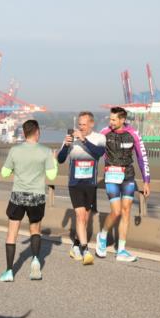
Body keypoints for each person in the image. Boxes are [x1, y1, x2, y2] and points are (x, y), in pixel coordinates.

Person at [0, 119, 57, 282]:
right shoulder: (45, 151)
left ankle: (9, 271)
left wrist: (16, 170)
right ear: (37, 132)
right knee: (35, 229)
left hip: (18, 195)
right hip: (37, 196)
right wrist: (53, 161)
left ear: (24, 133)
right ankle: (36, 262)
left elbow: (4, 173)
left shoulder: (14, 150)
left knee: (12, 233)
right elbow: (52, 176)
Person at [97, 107, 150, 262]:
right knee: (116, 211)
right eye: (110, 119)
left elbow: (142, 157)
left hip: (128, 177)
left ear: (122, 120)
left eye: (113, 119)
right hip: (111, 176)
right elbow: (94, 151)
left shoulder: (133, 133)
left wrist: (147, 181)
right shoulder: (104, 132)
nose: (110, 122)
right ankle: (103, 235)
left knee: (126, 211)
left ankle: (121, 250)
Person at [57, 112, 106, 265]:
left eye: (84, 124)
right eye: (79, 124)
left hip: (90, 184)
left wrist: (83, 140)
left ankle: (76, 245)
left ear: (91, 124)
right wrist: (66, 145)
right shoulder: (72, 139)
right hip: (75, 183)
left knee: (85, 218)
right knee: (79, 216)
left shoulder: (99, 138)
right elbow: (60, 159)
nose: (81, 127)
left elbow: (99, 153)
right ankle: (85, 250)